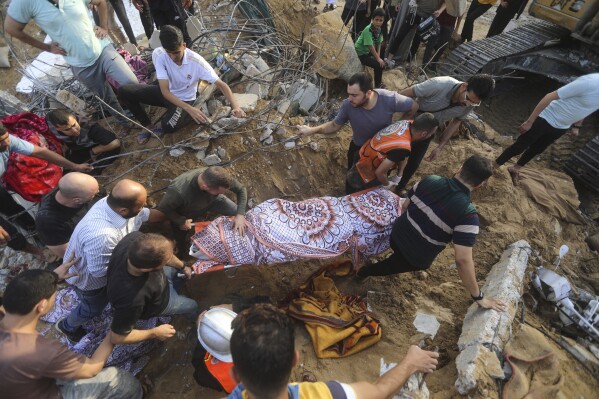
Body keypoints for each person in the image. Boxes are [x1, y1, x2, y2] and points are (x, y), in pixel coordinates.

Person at [356, 155, 506, 313]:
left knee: (397, 253)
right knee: (391, 265)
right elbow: (462, 260)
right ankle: (364, 273)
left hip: (396, 233)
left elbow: (405, 205)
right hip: (414, 258)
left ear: (460, 169)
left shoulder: (430, 180)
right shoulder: (468, 215)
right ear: (481, 184)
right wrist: (479, 297)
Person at [227, 303, 439, 399]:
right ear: (294, 359)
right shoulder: (327, 394)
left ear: (235, 375)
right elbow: (380, 391)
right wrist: (411, 362)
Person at [0, 268, 142, 399]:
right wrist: (112, 335)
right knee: (116, 378)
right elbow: (92, 369)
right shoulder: (40, 350)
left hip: (16, 384)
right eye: (54, 297)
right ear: (41, 306)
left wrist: (52, 277)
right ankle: (139, 394)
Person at [56, 179, 164, 344]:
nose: (144, 207)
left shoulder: (114, 205)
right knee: (92, 308)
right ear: (123, 209)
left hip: (103, 268)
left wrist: (169, 218)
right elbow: (99, 272)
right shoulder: (103, 235)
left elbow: (144, 215)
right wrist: (134, 266)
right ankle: (67, 326)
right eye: (141, 205)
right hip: (90, 283)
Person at [4, 0, 139, 122]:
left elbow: (101, 2)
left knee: (130, 82)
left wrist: (104, 27)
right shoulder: (24, 3)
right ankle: (126, 123)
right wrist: (46, 47)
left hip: (102, 49)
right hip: (79, 63)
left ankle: (143, 117)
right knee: (107, 98)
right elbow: (11, 28)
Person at [119, 25, 245, 135]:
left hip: (185, 98)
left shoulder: (196, 61)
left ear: (184, 45)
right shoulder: (159, 55)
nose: (173, 57)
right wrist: (189, 109)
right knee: (124, 91)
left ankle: (187, 113)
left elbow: (221, 84)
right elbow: (164, 91)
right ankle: (147, 125)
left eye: (176, 53)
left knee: (167, 126)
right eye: (169, 53)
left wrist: (236, 107)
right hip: (166, 94)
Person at [296, 72, 417, 187]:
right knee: (353, 183)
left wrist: (398, 127)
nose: (349, 98)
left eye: (354, 95)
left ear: (368, 93)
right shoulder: (348, 105)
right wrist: (311, 130)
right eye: (348, 94)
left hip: (381, 154)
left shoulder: (389, 99)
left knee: (373, 185)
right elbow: (334, 125)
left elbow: (414, 106)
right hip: (358, 150)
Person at [495, 73, 599, 185]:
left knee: (536, 149)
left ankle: (515, 169)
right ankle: (494, 166)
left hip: (561, 127)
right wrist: (530, 121)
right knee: (520, 146)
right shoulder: (588, 83)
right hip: (546, 118)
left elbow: (587, 107)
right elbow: (550, 96)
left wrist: (577, 126)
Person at [397, 74, 495, 190]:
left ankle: (399, 187)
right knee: (396, 153)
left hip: (429, 131)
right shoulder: (439, 85)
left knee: (413, 163)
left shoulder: (470, 103)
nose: (468, 104)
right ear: (464, 86)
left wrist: (440, 146)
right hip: (409, 124)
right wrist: (397, 120)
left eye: (474, 103)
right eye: (468, 99)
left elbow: (456, 121)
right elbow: (405, 94)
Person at [0, 123, 93, 233]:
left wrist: (74, 166)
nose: (6, 143)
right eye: (0, 142)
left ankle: (33, 227)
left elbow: (41, 152)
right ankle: (32, 233)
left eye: (6, 138)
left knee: (11, 206)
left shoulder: (7, 140)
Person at [107, 232, 197, 345]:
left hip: (161, 281)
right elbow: (117, 337)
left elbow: (163, 252)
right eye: (167, 260)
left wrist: (182, 266)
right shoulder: (131, 298)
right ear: (147, 269)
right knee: (192, 305)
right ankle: (196, 321)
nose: (172, 258)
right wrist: (154, 332)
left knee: (179, 275)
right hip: (159, 303)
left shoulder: (136, 240)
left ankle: (176, 291)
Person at [157, 166, 248, 254]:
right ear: (205, 187)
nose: (223, 193)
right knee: (180, 237)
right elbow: (164, 208)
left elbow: (241, 189)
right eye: (220, 192)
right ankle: (181, 253)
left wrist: (240, 214)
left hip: (214, 201)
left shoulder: (219, 177)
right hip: (187, 212)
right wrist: (180, 221)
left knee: (240, 214)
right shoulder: (179, 191)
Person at [346, 113, 438, 193]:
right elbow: (380, 172)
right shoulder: (402, 146)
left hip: (365, 153)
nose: (430, 137)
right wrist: (387, 185)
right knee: (356, 193)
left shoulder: (406, 123)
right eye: (430, 134)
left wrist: (399, 174)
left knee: (353, 184)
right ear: (423, 134)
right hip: (368, 168)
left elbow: (402, 156)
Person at [36, 173, 100, 259]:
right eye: (93, 195)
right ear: (77, 200)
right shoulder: (49, 222)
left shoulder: (80, 190)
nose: (99, 192)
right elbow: (69, 254)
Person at [46, 109, 121, 170]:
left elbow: (115, 142)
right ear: (57, 129)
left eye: (74, 125)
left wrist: (93, 151)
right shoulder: (50, 126)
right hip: (77, 148)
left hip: (92, 147)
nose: (75, 131)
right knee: (64, 168)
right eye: (67, 129)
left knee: (93, 168)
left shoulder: (90, 126)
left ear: (74, 118)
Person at [385, 0, 444, 65]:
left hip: (428, 18)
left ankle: (408, 63)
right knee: (401, 34)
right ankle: (389, 59)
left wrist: (440, 11)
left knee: (417, 41)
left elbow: (447, 2)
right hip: (415, 12)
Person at [355, 8, 387, 88]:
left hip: (367, 50)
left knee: (383, 48)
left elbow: (379, 43)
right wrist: (378, 59)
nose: (378, 22)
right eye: (376, 20)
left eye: (381, 20)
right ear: (372, 19)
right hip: (361, 53)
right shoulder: (367, 30)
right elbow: (370, 46)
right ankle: (378, 85)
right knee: (378, 65)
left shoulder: (379, 29)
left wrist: (378, 57)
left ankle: (379, 77)